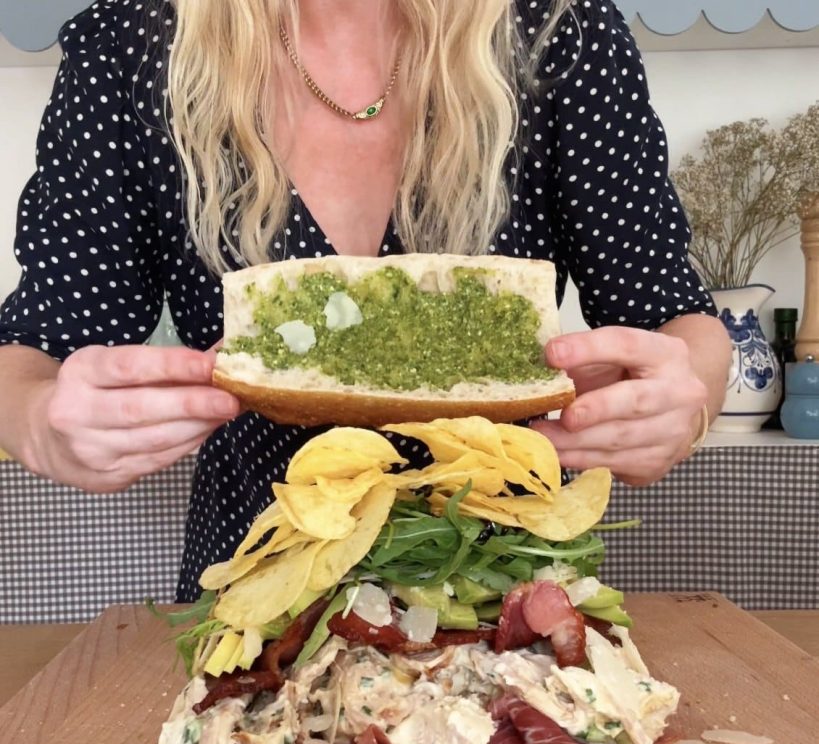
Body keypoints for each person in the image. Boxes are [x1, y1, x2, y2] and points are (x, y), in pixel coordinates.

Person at [0, 0, 731, 602]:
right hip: (259, 591)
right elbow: (35, 348)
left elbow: (672, 313)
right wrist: (38, 420)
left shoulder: (557, 33)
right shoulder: (132, 47)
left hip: (502, 590)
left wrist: (686, 394)